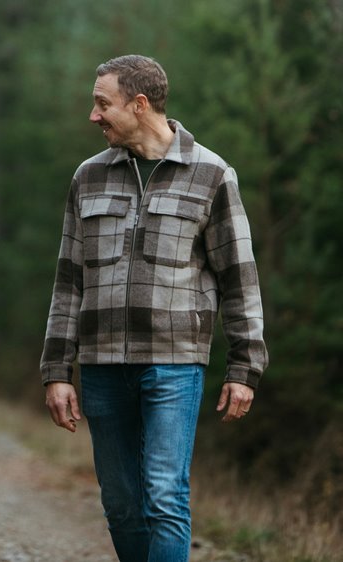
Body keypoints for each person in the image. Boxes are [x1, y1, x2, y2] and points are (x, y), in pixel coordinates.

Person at [40, 54, 268, 562]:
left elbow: (240, 278)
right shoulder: (88, 177)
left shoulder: (212, 174)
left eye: (103, 104)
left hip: (174, 362)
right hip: (101, 366)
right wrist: (57, 370)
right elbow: (68, 280)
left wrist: (245, 366)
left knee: (164, 495)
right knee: (121, 504)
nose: (93, 116)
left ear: (139, 105)